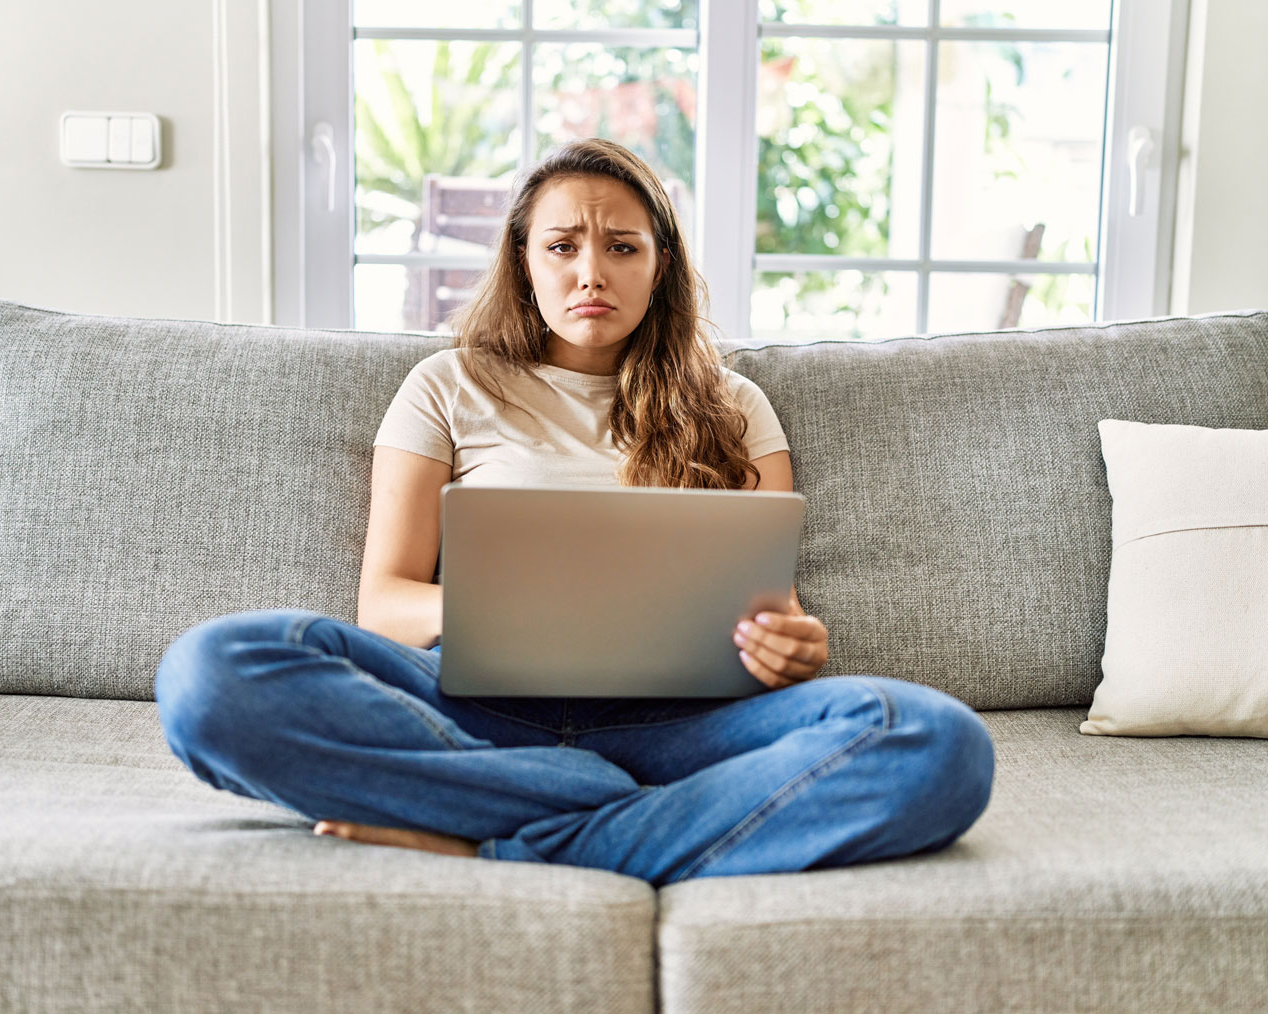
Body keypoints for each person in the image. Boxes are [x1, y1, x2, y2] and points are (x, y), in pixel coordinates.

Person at [154, 138, 994, 887]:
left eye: (622, 247)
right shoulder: (447, 387)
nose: (590, 273)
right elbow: (386, 603)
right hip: (470, 708)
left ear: (659, 265)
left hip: (682, 727)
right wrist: (523, 616)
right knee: (211, 672)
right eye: (561, 246)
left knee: (931, 740)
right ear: (523, 261)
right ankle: (606, 803)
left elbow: (775, 613)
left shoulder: (734, 406)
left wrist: (793, 645)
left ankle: (506, 839)